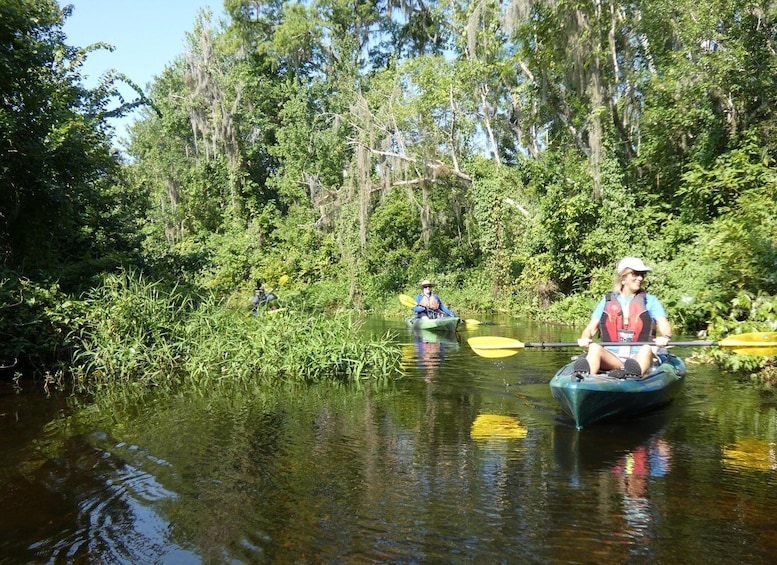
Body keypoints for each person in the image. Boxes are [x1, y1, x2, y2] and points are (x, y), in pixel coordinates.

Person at [575, 257, 672, 377]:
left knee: (647, 348)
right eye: (635, 274)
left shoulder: (650, 301)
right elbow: (590, 329)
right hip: (612, 357)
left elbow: (664, 324)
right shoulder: (608, 301)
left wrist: (666, 337)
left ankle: (631, 375)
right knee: (594, 347)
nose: (640, 278)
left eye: (642, 274)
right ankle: (583, 379)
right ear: (623, 277)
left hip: (638, 357)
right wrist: (585, 338)